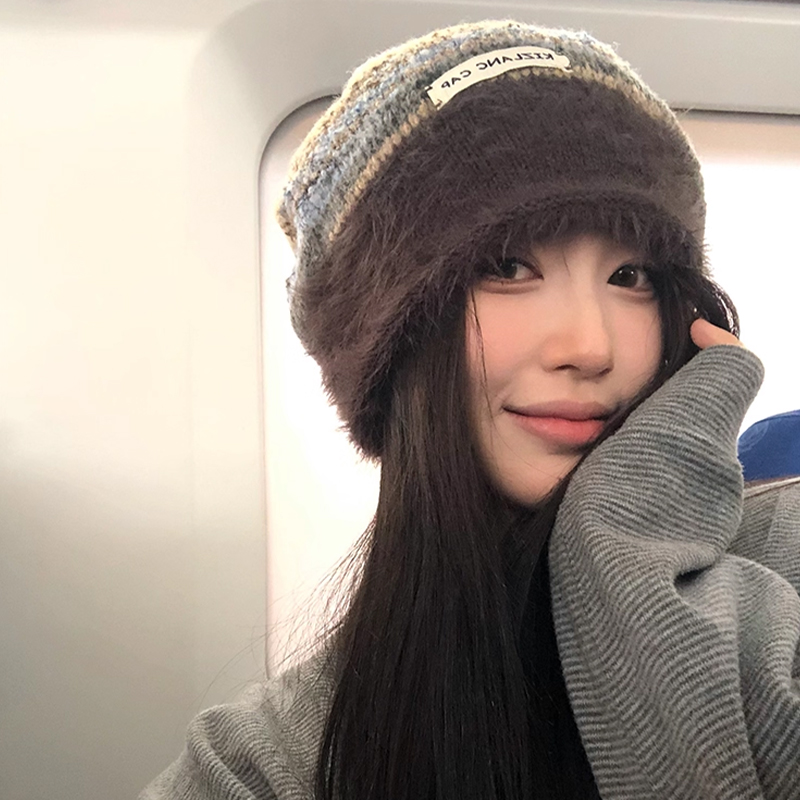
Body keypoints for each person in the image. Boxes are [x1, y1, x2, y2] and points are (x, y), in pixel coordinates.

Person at [141, 19, 800, 800]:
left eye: (631, 277)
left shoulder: (784, 549)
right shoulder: (263, 764)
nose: (590, 346)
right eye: (508, 267)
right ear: (393, 345)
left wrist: (626, 542)